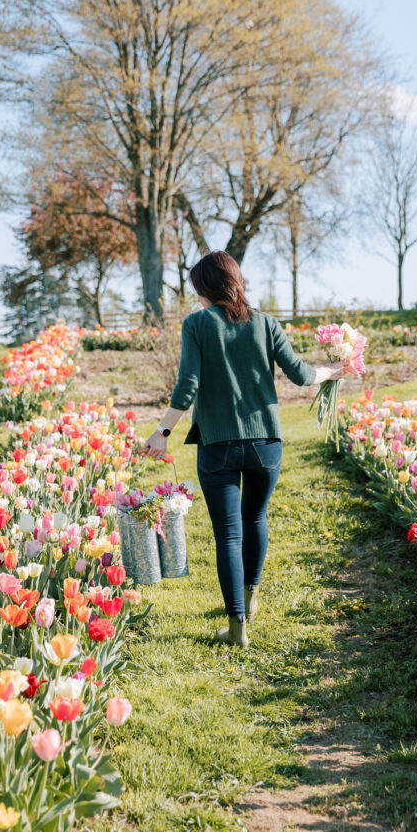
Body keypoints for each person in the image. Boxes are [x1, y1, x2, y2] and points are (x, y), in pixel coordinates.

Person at [143, 251, 343, 648]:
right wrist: (334, 371)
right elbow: (301, 374)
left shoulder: (198, 324)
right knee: (255, 520)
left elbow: (187, 387)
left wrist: (161, 433)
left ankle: (238, 630)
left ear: (204, 288)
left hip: (218, 447)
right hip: (266, 445)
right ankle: (250, 601)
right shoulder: (266, 322)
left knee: (228, 536)